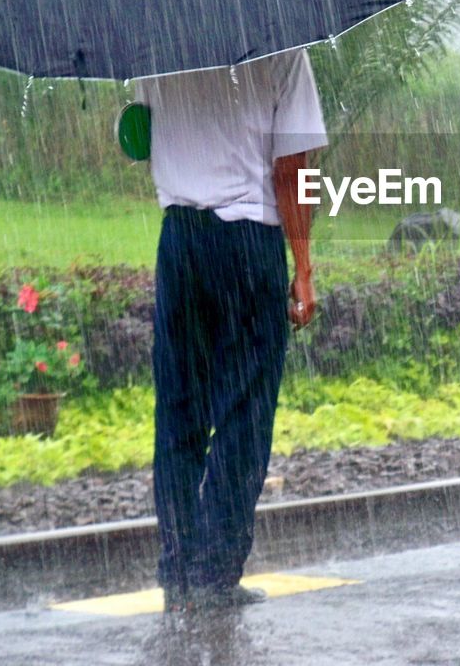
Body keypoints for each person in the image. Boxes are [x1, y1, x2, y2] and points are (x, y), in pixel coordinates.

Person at [133, 49, 326, 612]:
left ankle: (178, 573)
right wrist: (304, 268)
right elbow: (293, 169)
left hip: (181, 241)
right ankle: (214, 574)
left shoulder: (156, 43)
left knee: (178, 409)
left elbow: (141, 137)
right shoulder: (281, 46)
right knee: (245, 410)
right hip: (246, 242)